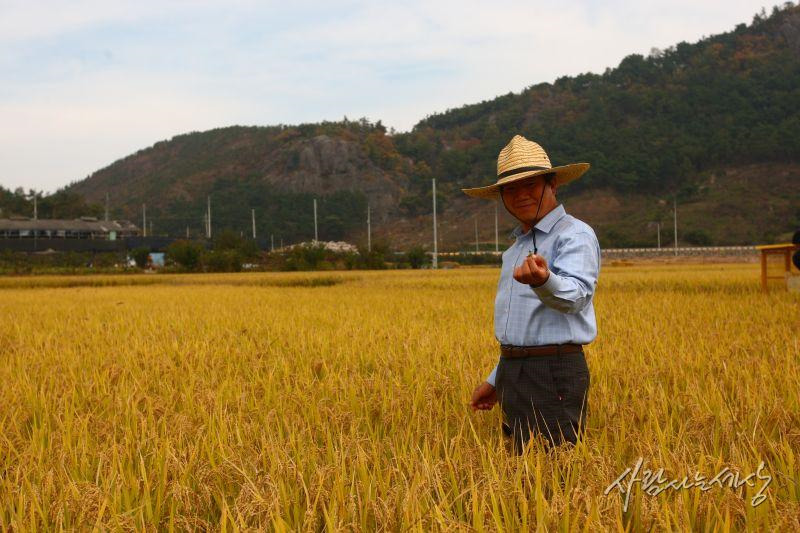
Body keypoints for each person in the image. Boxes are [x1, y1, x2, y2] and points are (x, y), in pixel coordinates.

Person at [462, 134, 601, 453]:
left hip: (553, 370)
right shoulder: (515, 249)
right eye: (509, 188)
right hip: (514, 371)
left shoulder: (574, 235)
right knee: (520, 471)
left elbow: (577, 295)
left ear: (552, 184)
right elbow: (524, 329)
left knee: (556, 473)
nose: (520, 194)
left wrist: (544, 280)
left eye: (530, 184)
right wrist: (498, 379)